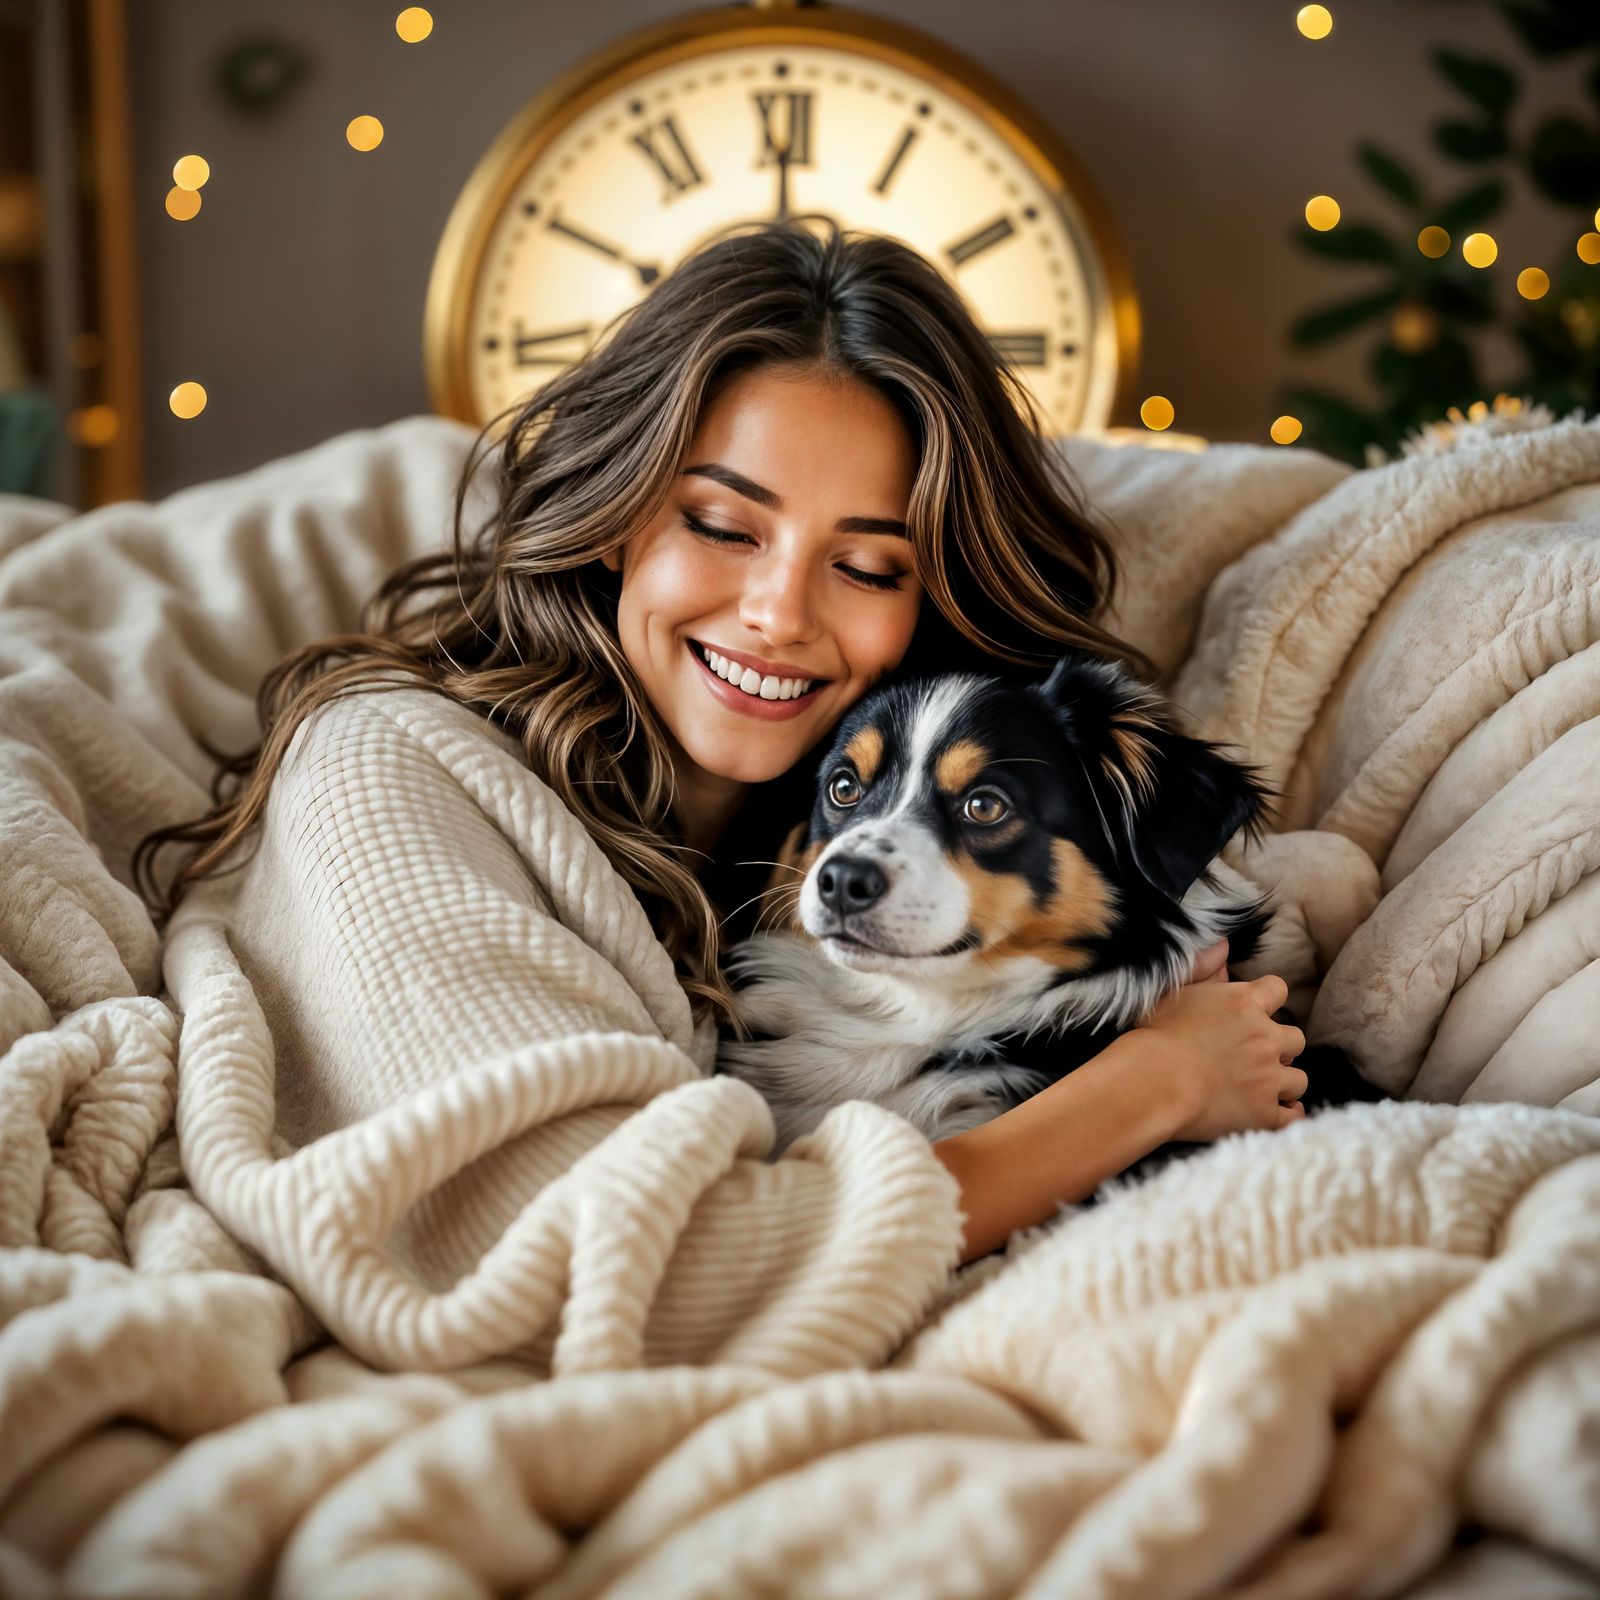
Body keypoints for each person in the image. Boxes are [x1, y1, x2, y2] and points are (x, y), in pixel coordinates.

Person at [134, 219, 1304, 1286]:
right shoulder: (388, 773)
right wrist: (1153, 1086)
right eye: (722, 524)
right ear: (617, 511)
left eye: (865, 565)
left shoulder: (831, 797)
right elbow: (645, 1267)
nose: (779, 613)